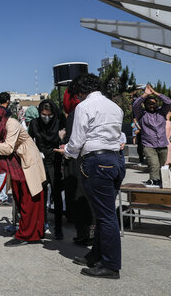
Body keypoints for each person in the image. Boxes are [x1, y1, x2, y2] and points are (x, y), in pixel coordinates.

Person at [58, 73, 125, 279]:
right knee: (104, 212)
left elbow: (77, 140)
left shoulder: (84, 107)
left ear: (79, 92)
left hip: (97, 161)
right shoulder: (115, 106)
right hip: (115, 159)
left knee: (105, 217)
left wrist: (67, 151)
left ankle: (111, 265)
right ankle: (95, 255)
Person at [0, 105, 46, 246]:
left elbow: (7, 148)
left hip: (27, 160)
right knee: (20, 198)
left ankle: (28, 234)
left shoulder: (11, 123)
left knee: (30, 197)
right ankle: (27, 232)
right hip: (15, 164)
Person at [61, 86, 95, 246]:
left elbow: (72, 141)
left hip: (76, 163)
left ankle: (83, 234)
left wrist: (64, 145)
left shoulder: (75, 114)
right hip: (93, 160)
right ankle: (94, 233)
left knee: (79, 199)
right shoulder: (95, 110)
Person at [28, 99, 66, 240]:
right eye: (43, 114)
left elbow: (65, 138)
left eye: (49, 115)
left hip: (55, 160)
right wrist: (35, 152)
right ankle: (42, 225)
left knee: (56, 194)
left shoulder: (59, 122)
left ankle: (58, 227)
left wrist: (63, 141)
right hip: (41, 161)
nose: (46, 117)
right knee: (41, 194)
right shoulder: (35, 123)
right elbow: (29, 140)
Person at [133, 84, 171, 187]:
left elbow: (168, 102)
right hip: (149, 145)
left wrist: (155, 93)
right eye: (149, 103)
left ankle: (161, 181)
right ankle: (154, 181)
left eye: (153, 103)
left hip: (162, 144)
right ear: (145, 104)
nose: (151, 105)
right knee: (154, 164)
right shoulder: (141, 114)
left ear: (157, 104)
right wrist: (145, 95)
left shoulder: (162, 112)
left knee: (162, 166)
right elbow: (135, 105)